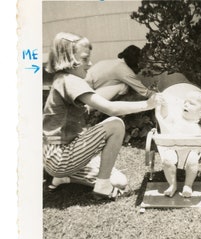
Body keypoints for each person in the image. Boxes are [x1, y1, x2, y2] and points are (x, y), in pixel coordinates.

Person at [43, 32, 162, 199]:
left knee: (120, 181)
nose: (90, 63)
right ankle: (102, 186)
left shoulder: (62, 79)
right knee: (115, 124)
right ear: (67, 59)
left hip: (54, 156)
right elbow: (111, 109)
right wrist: (148, 104)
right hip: (61, 157)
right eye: (84, 59)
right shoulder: (71, 81)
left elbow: (90, 105)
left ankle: (63, 178)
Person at [157, 89, 201, 198]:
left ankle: (188, 185)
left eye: (191, 103)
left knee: (193, 161)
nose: (186, 104)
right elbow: (165, 117)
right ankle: (172, 185)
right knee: (167, 161)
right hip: (173, 149)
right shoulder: (176, 119)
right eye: (185, 102)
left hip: (190, 152)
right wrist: (164, 106)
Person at [85, 45, 154, 100]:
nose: (140, 70)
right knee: (124, 87)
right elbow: (144, 92)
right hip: (87, 96)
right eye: (140, 66)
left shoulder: (116, 62)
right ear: (135, 63)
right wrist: (160, 96)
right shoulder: (124, 70)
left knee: (123, 84)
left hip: (86, 90)